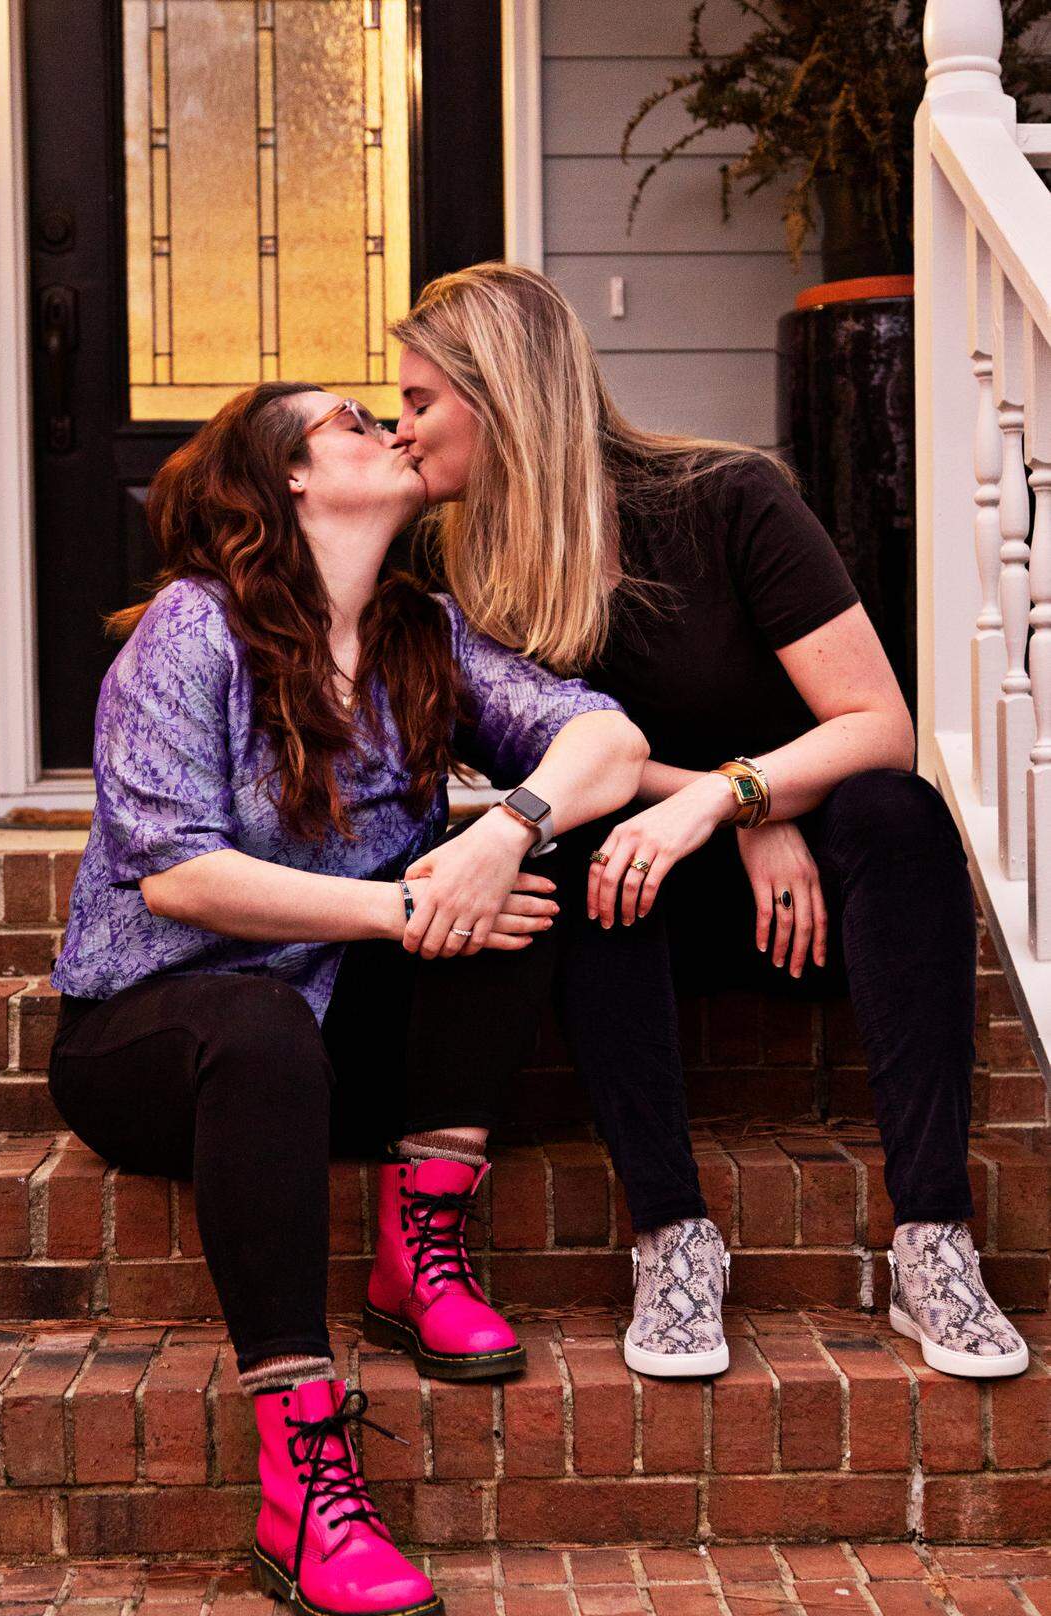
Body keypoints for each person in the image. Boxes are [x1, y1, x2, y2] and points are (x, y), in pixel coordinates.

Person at [46, 380, 647, 1616]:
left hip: (331, 1039)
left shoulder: (423, 629)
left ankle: (419, 1244)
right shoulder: (193, 630)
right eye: (352, 421)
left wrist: (504, 833)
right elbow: (178, 874)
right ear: (289, 479)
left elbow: (606, 741)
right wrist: (407, 905)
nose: (391, 427)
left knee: (519, 876)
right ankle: (303, 1474)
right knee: (274, 1014)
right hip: (154, 1033)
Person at [389, 261, 1030, 1385]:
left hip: (818, 907)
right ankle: (673, 1237)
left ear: (498, 396)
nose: (399, 430)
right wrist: (726, 810)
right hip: (639, 906)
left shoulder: (728, 498)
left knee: (901, 812)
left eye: (418, 400)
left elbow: (879, 726)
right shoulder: (451, 563)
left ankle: (935, 1236)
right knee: (577, 844)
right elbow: (569, 768)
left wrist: (732, 796)